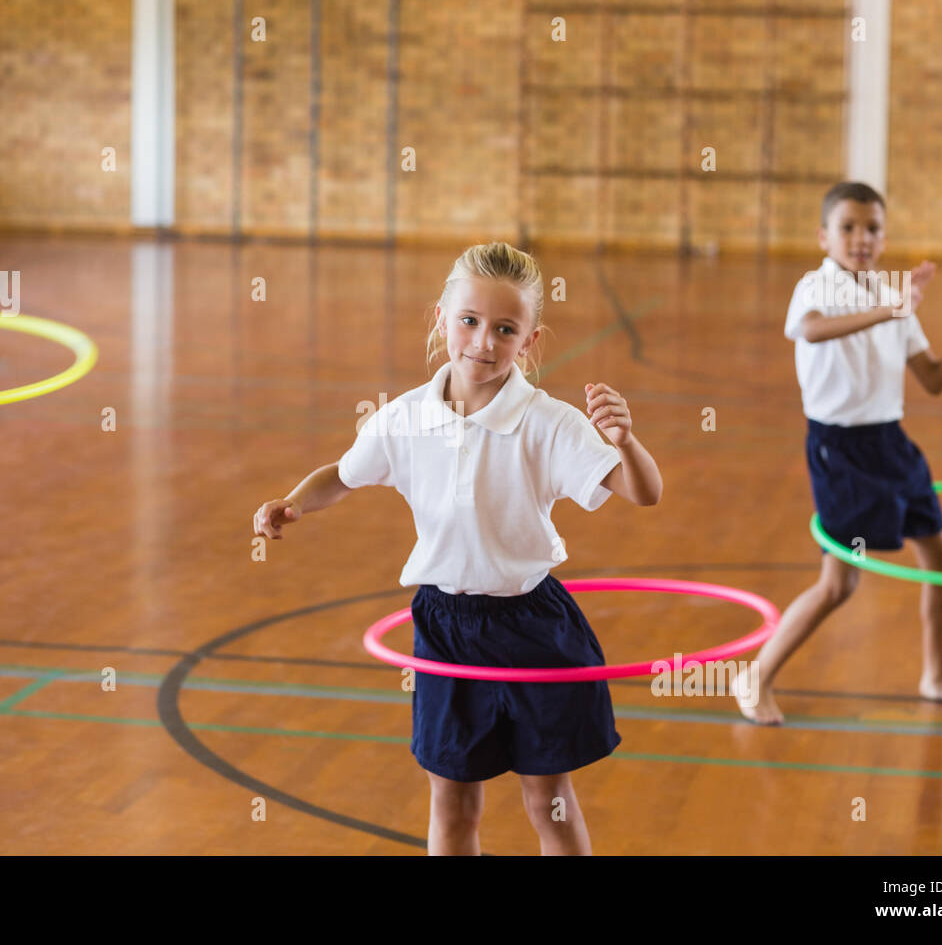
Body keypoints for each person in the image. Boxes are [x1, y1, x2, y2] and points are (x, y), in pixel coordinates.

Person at [253, 241, 663, 854]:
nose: (483, 341)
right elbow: (341, 475)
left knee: (547, 801)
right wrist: (292, 502)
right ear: (441, 319)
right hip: (445, 625)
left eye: (505, 329)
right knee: (451, 804)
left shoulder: (549, 423)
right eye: (469, 321)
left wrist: (625, 442)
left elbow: (645, 492)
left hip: (533, 626)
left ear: (530, 341)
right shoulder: (405, 418)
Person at [736, 181, 942, 725]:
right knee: (840, 583)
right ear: (824, 236)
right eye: (847, 227)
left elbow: (935, 378)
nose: (860, 238)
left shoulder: (895, 296)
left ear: (884, 236)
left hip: (892, 443)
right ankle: (755, 675)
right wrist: (887, 310)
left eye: (872, 228)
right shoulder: (815, 287)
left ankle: (937, 675)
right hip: (839, 448)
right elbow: (812, 330)